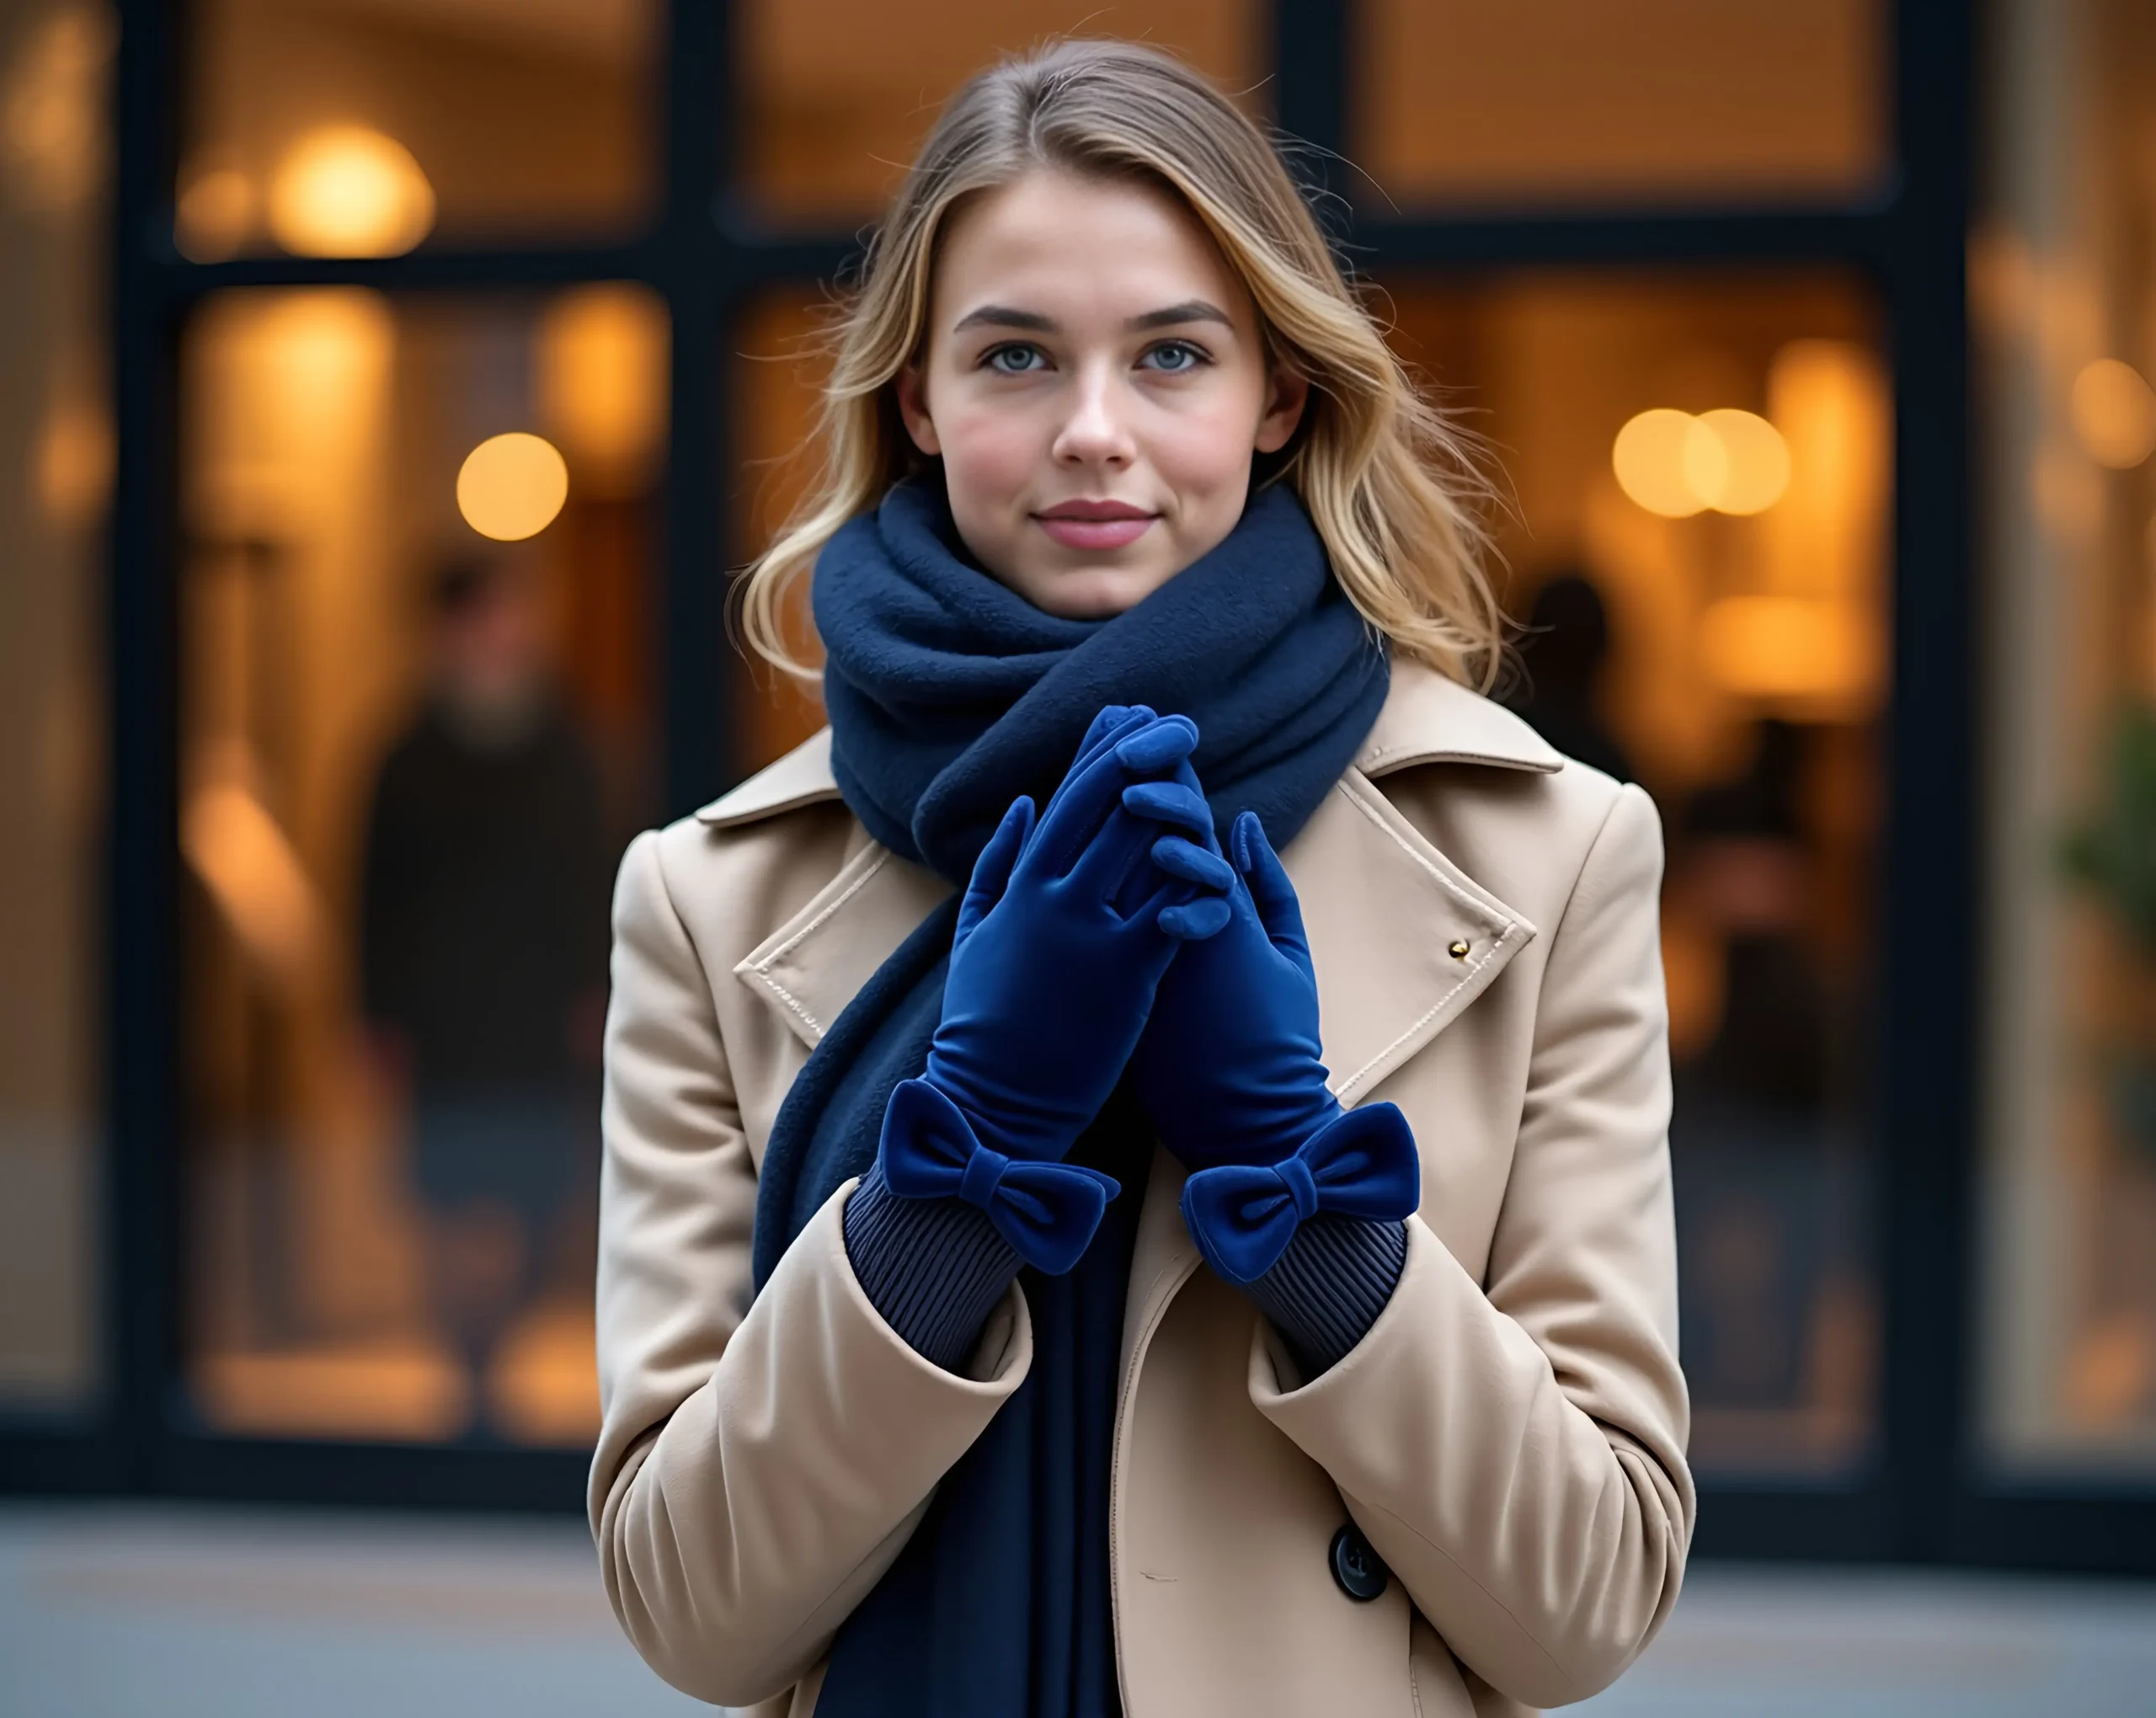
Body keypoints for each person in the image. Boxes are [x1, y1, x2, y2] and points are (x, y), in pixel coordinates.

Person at [591, 40, 1691, 1718]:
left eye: (1169, 354)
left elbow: (1587, 1601)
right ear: (918, 400)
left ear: (1276, 393)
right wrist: (954, 1177)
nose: (1091, 433)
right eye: (1014, 355)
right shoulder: (707, 896)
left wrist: (1302, 1191)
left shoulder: (1546, 857)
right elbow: (691, 1612)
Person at [360, 555, 609, 1434]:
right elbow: (376, 895)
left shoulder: (566, 750)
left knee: (540, 1198)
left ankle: (489, 1349)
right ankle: (470, 1374)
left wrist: (597, 990)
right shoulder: (406, 757)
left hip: (539, 1018)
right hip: (444, 1020)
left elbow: (594, 878)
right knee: (448, 1197)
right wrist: (378, 1015)